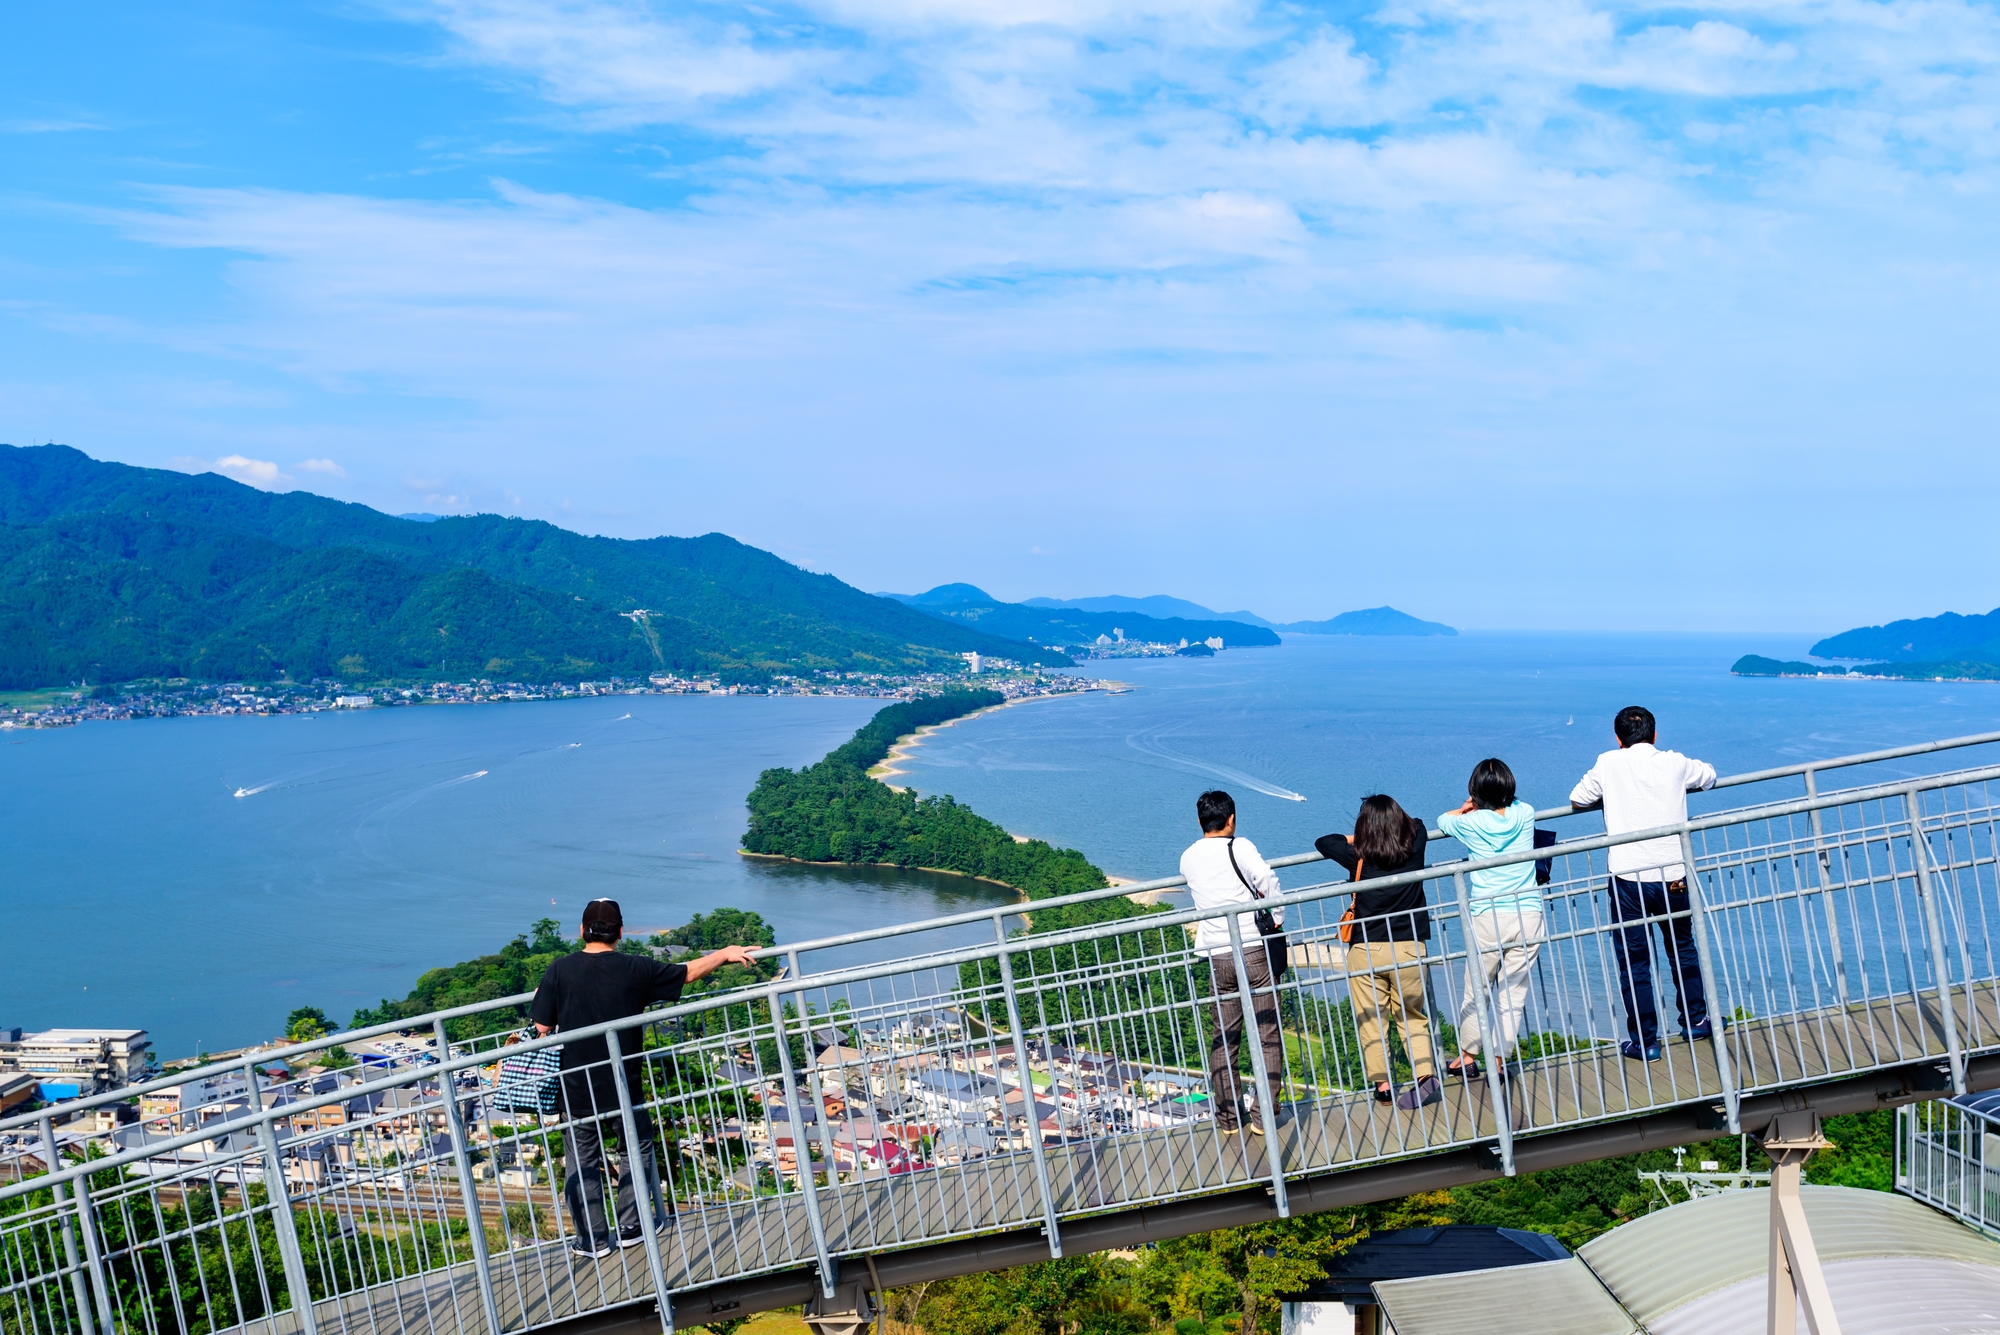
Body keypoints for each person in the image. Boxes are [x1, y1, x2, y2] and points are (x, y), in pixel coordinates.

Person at [529, 898, 757, 1258]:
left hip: (576, 1085)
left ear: (582, 931)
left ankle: (593, 1241)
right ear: (620, 933)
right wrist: (724, 953)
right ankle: (633, 1226)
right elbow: (687, 972)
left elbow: (541, 1027)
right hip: (624, 1082)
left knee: (583, 1161)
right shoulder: (636, 969)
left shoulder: (560, 970)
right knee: (635, 1148)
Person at [1569, 705, 1719, 1062]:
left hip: (1628, 878)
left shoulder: (1608, 762)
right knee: (1682, 949)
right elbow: (1710, 776)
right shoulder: (1674, 762)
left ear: (1619, 739)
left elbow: (1577, 798)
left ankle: (1645, 1041)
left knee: (1634, 961)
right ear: (1654, 735)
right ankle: (1695, 1019)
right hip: (1673, 875)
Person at [1181, 790, 1290, 1135]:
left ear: (1200, 822)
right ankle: (1264, 1117)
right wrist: (1277, 916)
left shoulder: (1188, 857)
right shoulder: (1239, 846)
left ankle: (1229, 1118)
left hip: (1217, 955)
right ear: (1232, 819)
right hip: (1252, 950)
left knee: (1224, 1040)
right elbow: (1267, 880)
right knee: (1268, 1036)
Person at [1316, 796, 1437, 1110]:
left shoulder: (1359, 854)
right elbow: (1419, 824)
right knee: (1412, 1017)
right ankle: (1425, 1074)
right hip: (1411, 947)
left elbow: (1323, 841)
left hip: (1366, 948)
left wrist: (1364, 836)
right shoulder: (1416, 843)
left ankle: (1383, 1086)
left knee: (1372, 1020)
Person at [1437, 759, 1543, 1080]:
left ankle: (1467, 1056)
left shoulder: (1470, 823)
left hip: (1489, 915)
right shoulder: (1526, 813)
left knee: (1478, 989)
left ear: (1475, 791)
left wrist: (1467, 807)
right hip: (1529, 913)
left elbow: (1443, 821)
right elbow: (1516, 803)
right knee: (1514, 992)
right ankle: (1498, 1060)